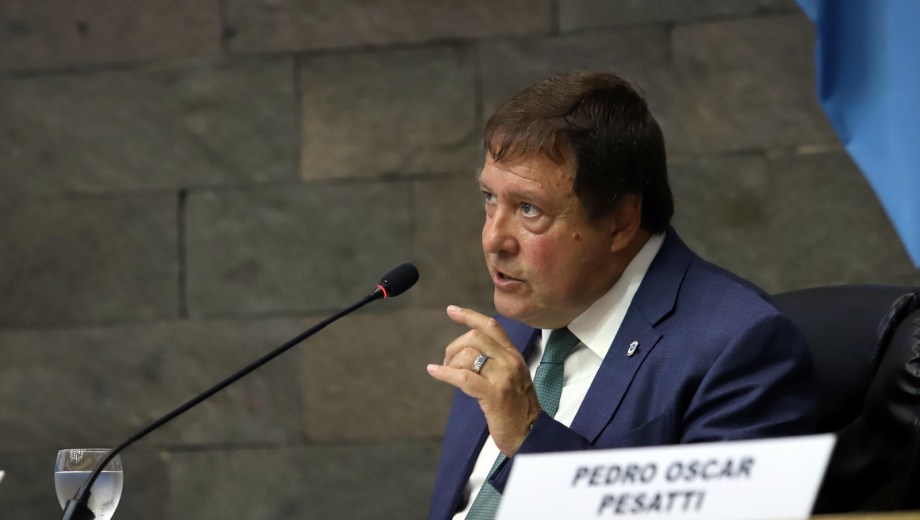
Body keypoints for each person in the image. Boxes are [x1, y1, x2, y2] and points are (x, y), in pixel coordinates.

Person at [425, 71, 818, 520]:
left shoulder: (739, 346)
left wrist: (531, 435)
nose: (494, 239)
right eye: (490, 199)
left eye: (529, 209)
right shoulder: (509, 331)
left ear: (620, 222)